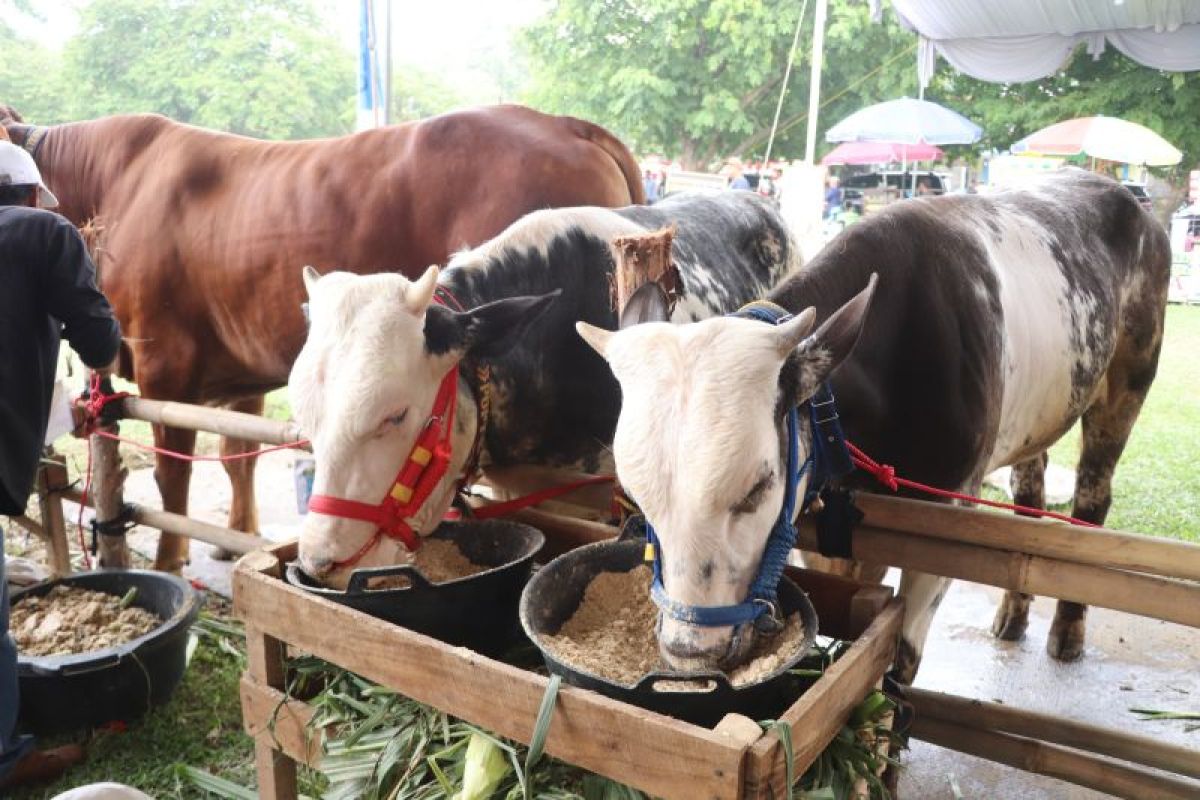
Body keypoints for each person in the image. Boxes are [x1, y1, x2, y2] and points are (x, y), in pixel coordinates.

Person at [0, 140, 122, 791]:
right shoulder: (43, 231)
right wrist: (110, 346)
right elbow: (99, 341)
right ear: (28, 195)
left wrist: (56, 418)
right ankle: (4, 758)